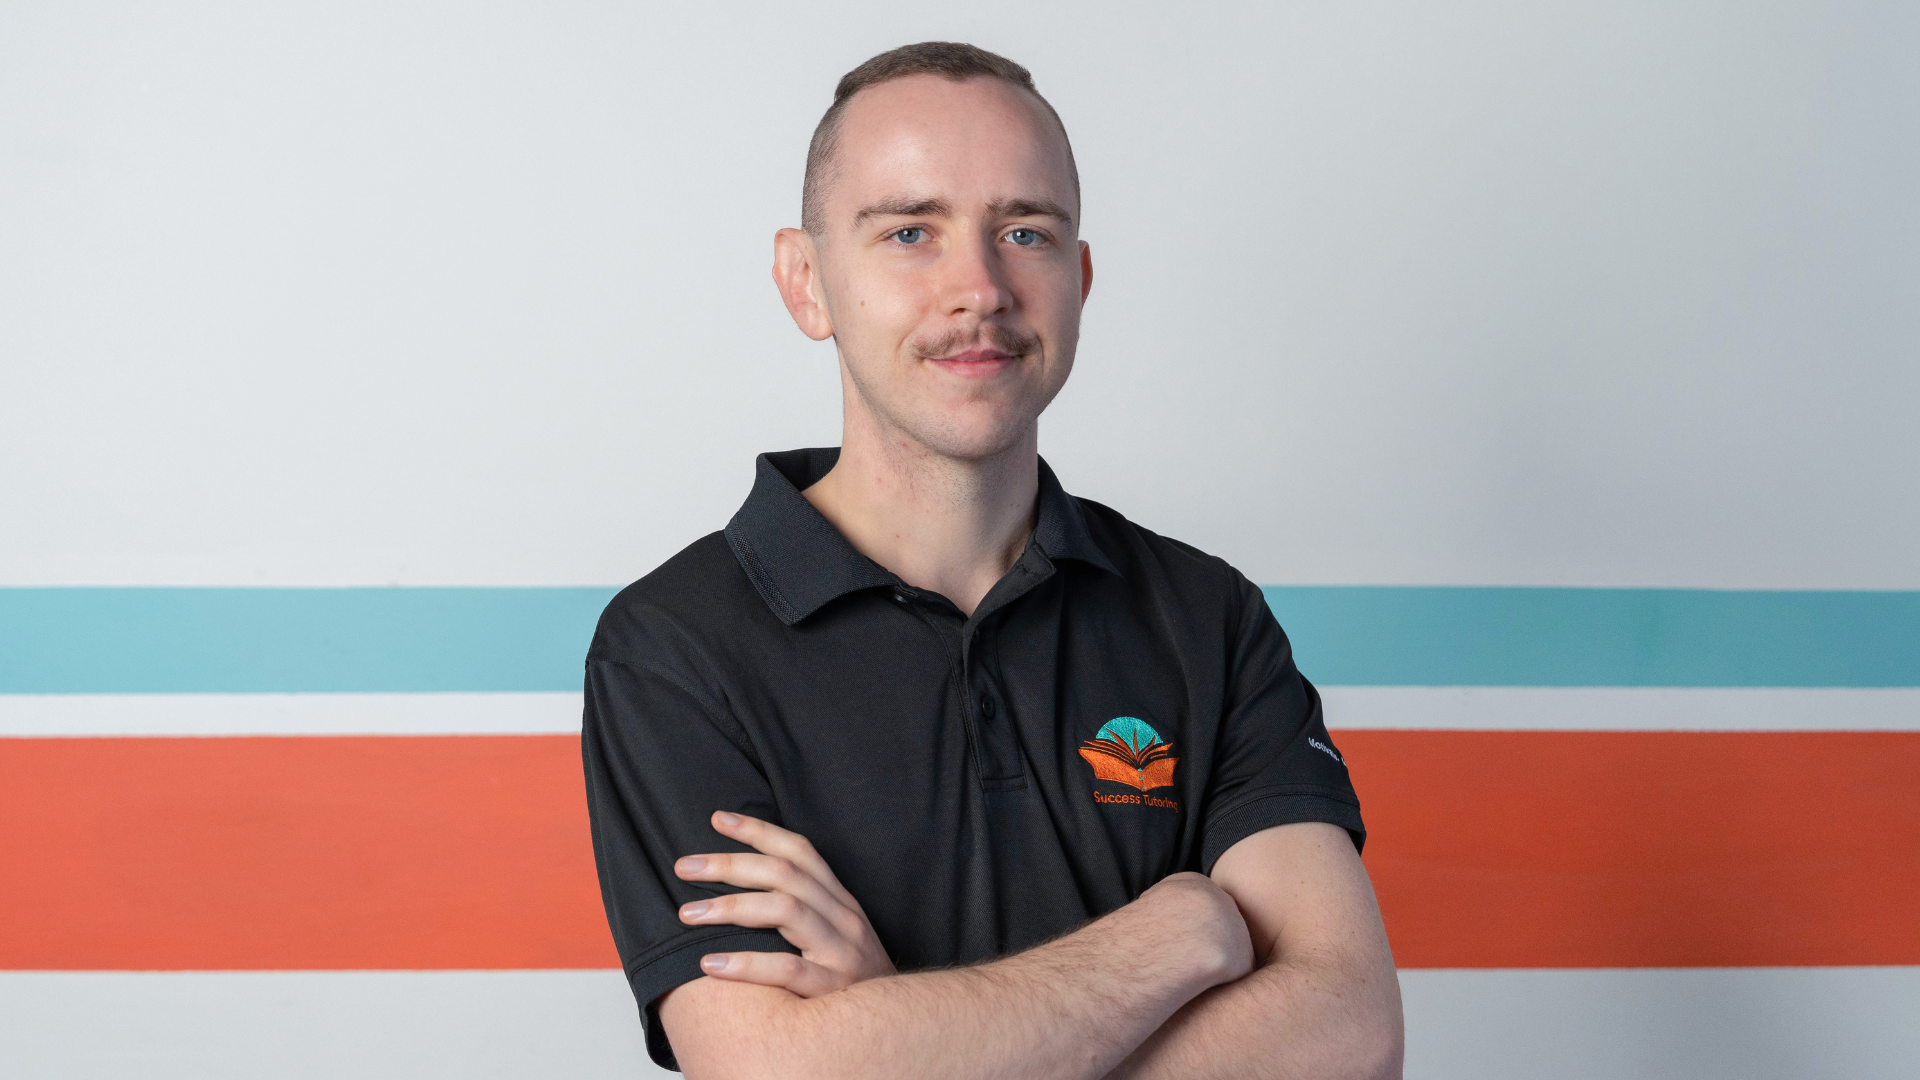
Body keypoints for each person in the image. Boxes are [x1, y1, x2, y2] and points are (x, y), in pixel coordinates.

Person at [582, 41, 1404, 1079]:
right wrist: (1171, 937)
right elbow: (775, 1070)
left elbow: (1351, 1035)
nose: (978, 287)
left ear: (1079, 280)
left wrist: (899, 1030)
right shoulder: (675, 649)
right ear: (807, 281)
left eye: (1025, 232)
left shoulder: (1208, 618)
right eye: (910, 232)